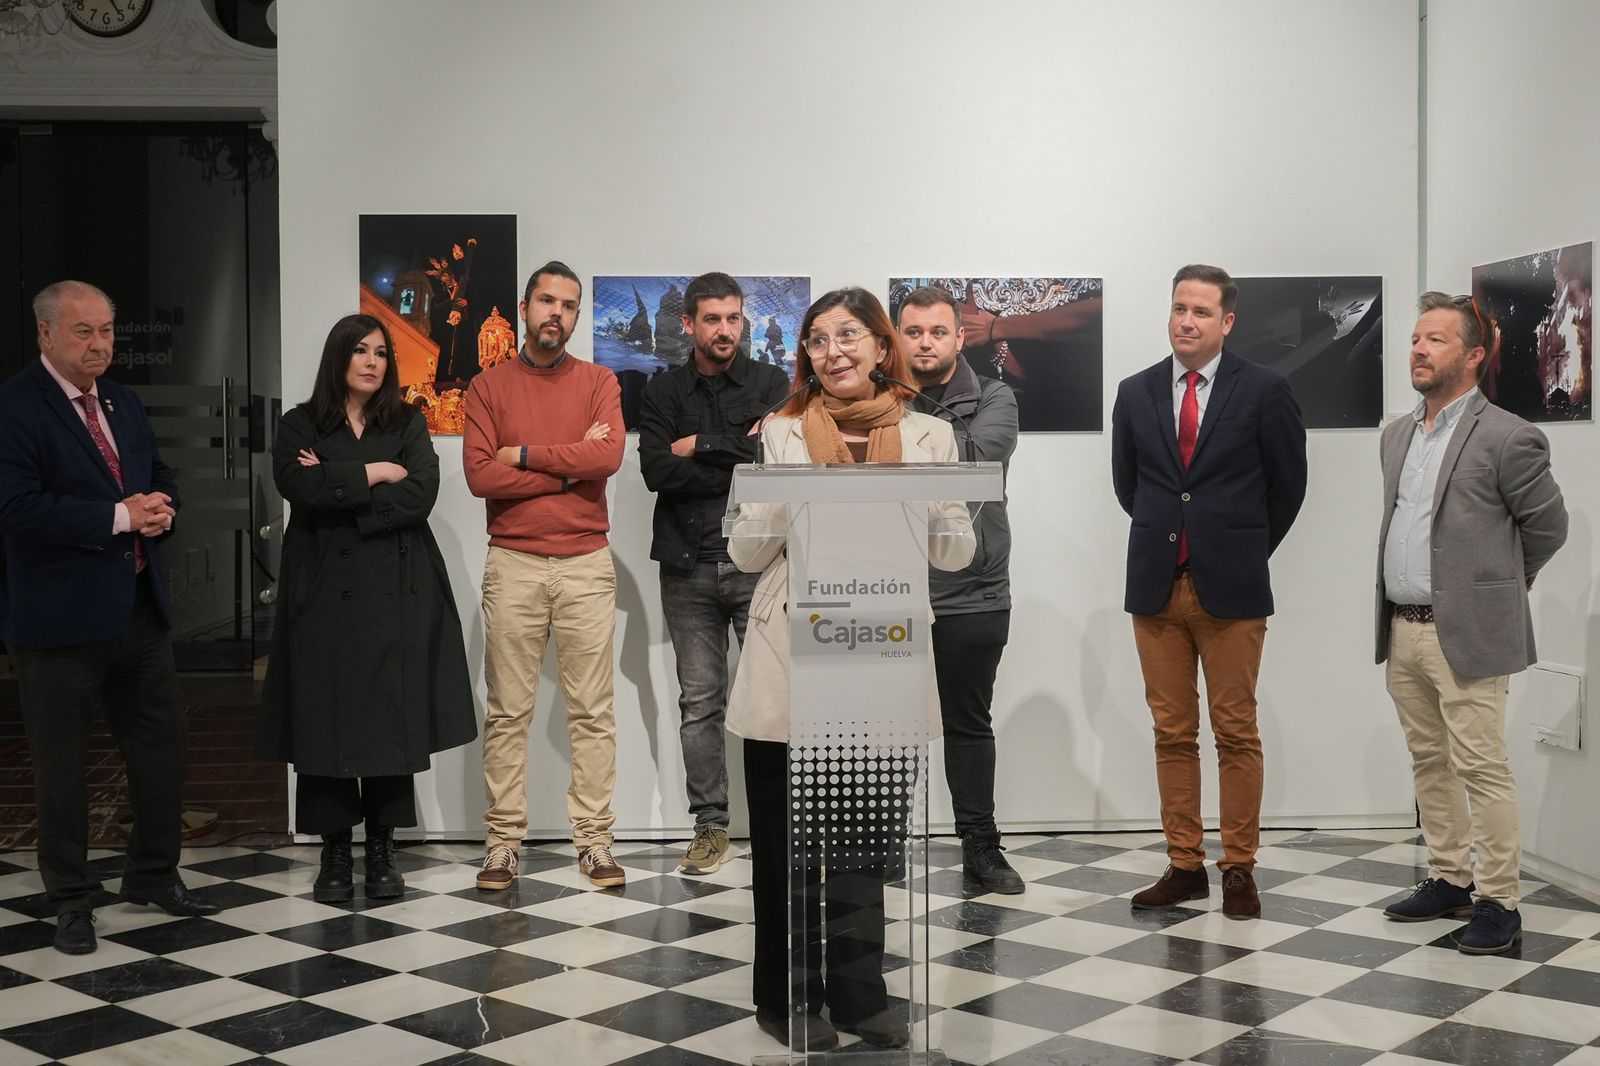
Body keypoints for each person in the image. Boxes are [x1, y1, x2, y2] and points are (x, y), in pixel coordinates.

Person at [728, 287, 975, 1052]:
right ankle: (788, 996)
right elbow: (744, 552)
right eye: (816, 340)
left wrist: (930, 506)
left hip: (882, 656)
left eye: (847, 336)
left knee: (866, 849)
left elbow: (956, 554)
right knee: (785, 847)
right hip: (794, 658)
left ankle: (861, 994)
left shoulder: (931, 436)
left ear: (879, 346)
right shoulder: (781, 432)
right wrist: (778, 493)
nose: (831, 351)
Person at [0, 280, 219, 955]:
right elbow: (16, 507)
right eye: (82, 332)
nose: (99, 345)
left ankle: (153, 874)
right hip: (58, 623)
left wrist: (162, 506)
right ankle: (71, 897)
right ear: (45, 334)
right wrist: (120, 516)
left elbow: (158, 472)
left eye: (106, 331)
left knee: (162, 751)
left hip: (137, 611)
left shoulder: (122, 400)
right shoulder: (15, 406)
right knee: (62, 769)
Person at [1110, 264, 1307, 920]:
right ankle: (1184, 864)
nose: (1185, 321)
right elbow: (1129, 487)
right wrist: (1173, 538)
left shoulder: (1265, 390)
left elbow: (1288, 488)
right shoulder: (1135, 392)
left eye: (1200, 311)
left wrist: (1241, 547)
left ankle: (1240, 867)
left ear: (1227, 322)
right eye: (1178, 309)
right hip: (1156, 590)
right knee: (1171, 731)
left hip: (1233, 589)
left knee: (1235, 731)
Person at [257, 314, 477, 902]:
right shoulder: (298, 423)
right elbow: (296, 487)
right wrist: (375, 472)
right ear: (338, 357)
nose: (372, 361)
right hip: (322, 590)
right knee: (323, 719)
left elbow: (419, 494)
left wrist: (336, 482)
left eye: (381, 352)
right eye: (360, 350)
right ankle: (333, 852)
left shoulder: (405, 420)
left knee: (389, 718)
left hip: (396, 590)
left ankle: (381, 848)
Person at [1377, 292, 1567, 955]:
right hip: (1403, 627)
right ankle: (1449, 876)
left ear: (1474, 354)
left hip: (1469, 632)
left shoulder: (1509, 435)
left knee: (1481, 767)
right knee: (1429, 759)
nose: (1419, 350)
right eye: (1415, 339)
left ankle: (1499, 900)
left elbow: (1548, 528)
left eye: (1435, 340)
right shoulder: (1397, 432)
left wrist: (1499, 589)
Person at [464, 261, 628, 890]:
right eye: (546, 302)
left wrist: (527, 456)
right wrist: (572, 467)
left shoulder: (598, 380)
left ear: (577, 316)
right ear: (525, 307)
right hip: (514, 562)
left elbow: (607, 456)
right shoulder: (487, 387)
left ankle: (594, 841)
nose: (555, 313)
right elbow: (482, 475)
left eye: (568, 305)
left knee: (593, 711)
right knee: (509, 711)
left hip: (586, 560)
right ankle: (502, 844)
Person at [637, 272, 791, 875]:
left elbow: (769, 465)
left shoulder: (771, 383)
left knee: (776, 698)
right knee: (699, 701)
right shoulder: (663, 389)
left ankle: (782, 825)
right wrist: (731, 449)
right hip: (687, 564)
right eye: (712, 320)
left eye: (733, 318)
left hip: (759, 562)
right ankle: (710, 828)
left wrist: (697, 442)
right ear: (689, 325)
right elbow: (656, 472)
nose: (724, 330)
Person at [896, 285, 1023, 894]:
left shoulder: (995, 397)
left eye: (937, 332)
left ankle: (981, 847)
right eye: (913, 332)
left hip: (973, 590)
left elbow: (971, 467)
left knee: (969, 723)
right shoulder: (877, 398)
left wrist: (899, 412)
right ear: (898, 337)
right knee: (885, 727)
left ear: (959, 337)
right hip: (889, 588)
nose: (925, 342)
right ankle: (880, 847)